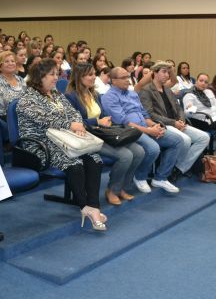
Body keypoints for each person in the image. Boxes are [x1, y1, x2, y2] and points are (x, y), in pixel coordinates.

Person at [17, 59, 106, 230]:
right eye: (52, 74)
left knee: (94, 158)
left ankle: (94, 207)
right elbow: (44, 119)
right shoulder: (26, 98)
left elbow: (74, 113)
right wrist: (70, 125)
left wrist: (77, 126)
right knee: (74, 162)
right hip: (40, 144)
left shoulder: (56, 94)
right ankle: (84, 206)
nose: (56, 77)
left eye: (57, 73)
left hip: (64, 139)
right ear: (39, 77)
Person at [65, 63, 145, 206]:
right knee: (126, 156)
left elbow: (102, 115)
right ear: (79, 77)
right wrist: (97, 121)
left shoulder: (94, 94)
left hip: (102, 133)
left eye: (94, 74)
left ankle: (122, 187)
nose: (94, 77)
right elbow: (74, 123)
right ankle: (112, 190)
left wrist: (106, 120)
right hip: (87, 136)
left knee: (139, 151)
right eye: (90, 74)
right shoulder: (70, 97)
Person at [102, 67, 183, 194]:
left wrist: (154, 126)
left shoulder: (132, 94)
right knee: (153, 148)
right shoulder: (109, 97)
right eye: (123, 78)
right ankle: (140, 176)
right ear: (113, 80)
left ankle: (160, 178)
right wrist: (149, 131)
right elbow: (123, 122)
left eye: (128, 77)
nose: (128, 80)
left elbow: (144, 114)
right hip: (128, 131)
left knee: (177, 140)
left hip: (145, 127)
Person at [139, 61, 209, 178]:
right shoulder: (147, 90)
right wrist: (173, 123)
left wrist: (181, 120)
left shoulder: (167, 89)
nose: (167, 75)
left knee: (204, 137)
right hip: (162, 124)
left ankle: (179, 168)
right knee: (186, 140)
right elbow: (150, 114)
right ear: (155, 73)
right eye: (164, 72)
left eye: (168, 72)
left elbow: (178, 108)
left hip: (176, 123)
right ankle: (167, 170)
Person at [183, 73, 216, 162]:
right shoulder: (189, 94)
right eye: (201, 81)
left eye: (206, 82)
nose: (203, 83)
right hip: (202, 119)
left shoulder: (208, 92)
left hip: (215, 116)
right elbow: (187, 113)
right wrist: (191, 109)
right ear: (196, 81)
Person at [0, 51, 26, 119]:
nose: (10, 63)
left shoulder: (20, 80)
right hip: (2, 118)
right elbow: (6, 103)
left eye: (12, 61)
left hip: (21, 115)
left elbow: (28, 96)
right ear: (0, 66)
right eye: (6, 61)